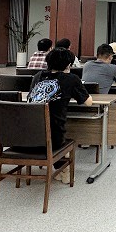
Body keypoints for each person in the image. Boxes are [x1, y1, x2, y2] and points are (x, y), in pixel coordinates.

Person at [27, 47, 92, 184]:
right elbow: (88, 102)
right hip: (54, 138)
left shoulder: (38, 76)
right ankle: (64, 171)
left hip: (28, 136)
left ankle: (59, 168)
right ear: (68, 65)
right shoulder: (71, 79)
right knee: (57, 130)